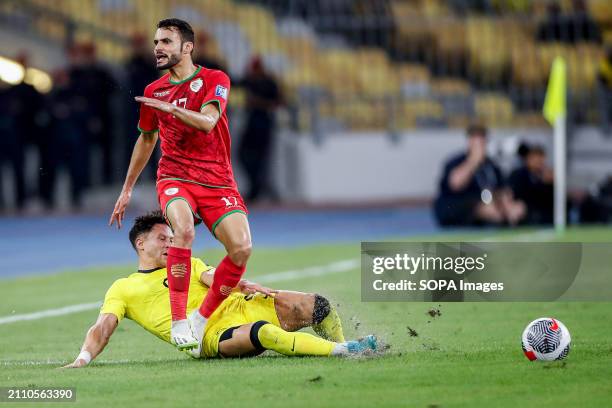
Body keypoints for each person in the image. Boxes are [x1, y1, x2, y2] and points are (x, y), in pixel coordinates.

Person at [62, 212, 376, 368]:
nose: (171, 245)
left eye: (173, 239)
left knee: (319, 305)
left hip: (240, 306)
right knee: (263, 333)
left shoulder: (190, 263)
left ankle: (343, 347)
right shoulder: (123, 288)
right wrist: (83, 358)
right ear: (140, 243)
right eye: (163, 239)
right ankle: (346, 351)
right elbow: (103, 327)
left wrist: (246, 285)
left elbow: (216, 278)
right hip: (207, 336)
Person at [110, 19, 253, 351]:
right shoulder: (153, 91)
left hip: (218, 181)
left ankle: (200, 319)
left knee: (242, 250)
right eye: (156, 42)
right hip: (175, 176)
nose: (157, 47)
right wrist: (127, 188)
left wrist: (171, 108)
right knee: (184, 230)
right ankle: (178, 321)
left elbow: (208, 122)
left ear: (187, 47)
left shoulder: (215, 79)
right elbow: (146, 139)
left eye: (166, 42)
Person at [434, 124, 526, 227]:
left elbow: (501, 189)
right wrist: (473, 161)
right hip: (456, 206)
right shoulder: (456, 161)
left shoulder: (491, 165)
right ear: (469, 142)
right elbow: (455, 184)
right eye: (475, 142)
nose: (479, 146)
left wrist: (507, 205)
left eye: (482, 142)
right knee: (490, 210)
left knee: (517, 208)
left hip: (487, 204)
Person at [238, 56, 282, 202]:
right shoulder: (250, 80)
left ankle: (258, 190)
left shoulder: (269, 82)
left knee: (261, 160)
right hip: (252, 123)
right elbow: (233, 82)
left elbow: (278, 102)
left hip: (264, 123)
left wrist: (257, 102)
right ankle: (257, 188)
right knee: (243, 155)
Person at [508, 144, 554, 225]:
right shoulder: (519, 174)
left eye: (540, 159)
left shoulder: (546, 176)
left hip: (544, 215)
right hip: (525, 214)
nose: (538, 162)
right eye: (535, 159)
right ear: (528, 159)